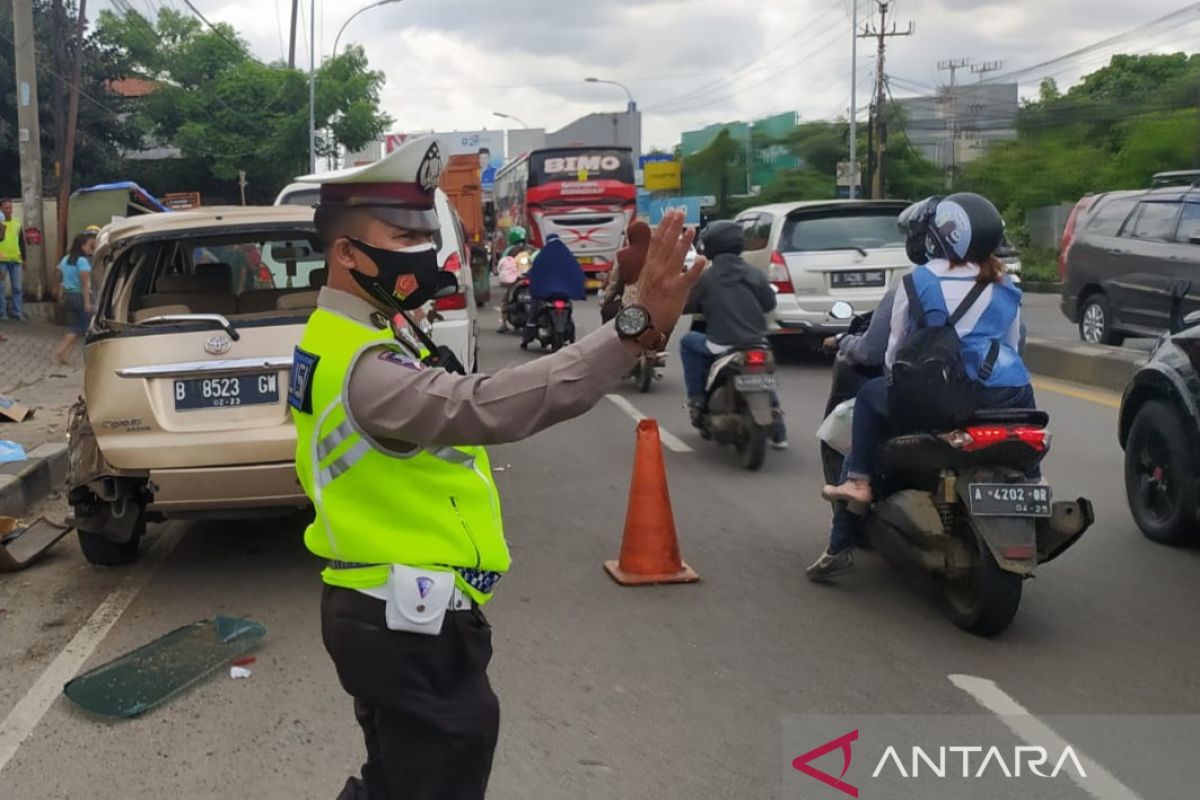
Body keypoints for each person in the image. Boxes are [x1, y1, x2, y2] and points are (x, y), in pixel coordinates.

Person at [287, 136, 705, 800]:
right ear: (346, 253)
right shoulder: (365, 369)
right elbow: (497, 405)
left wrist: (625, 296)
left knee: (398, 780)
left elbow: (541, 364)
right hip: (406, 626)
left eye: (426, 232)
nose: (424, 251)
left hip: (387, 615)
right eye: (402, 234)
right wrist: (634, 325)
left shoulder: (357, 334)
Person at [808, 193, 1035, 581]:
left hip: (936, 401)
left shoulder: (916, 283)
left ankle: (858, 485)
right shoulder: (1005, 283)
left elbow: (892, 356)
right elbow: (1015, 345)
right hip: (1006, 395)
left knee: (868, 397)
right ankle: (1034, 480)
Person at [678, 220, 787, 448]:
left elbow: (687, 305)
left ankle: (697, 400)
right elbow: (768, 303)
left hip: (721, 344)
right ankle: (779, 432)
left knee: (688, 342)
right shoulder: (753, 273)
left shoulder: (707, 277)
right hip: (757, 343)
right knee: (762, 375)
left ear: (710, 246)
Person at [520, 233, 586, 349]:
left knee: (533, 313)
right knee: (569, 311)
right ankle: (571, 337)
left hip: (545, 293)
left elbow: (535, 271)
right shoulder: (567, 255)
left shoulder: (543, 255)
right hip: (564, 293)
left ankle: (526, 339)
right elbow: (577, 271)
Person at [53, 229, 97, 364]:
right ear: (82, 246)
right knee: (80, 327)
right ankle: (61, 351)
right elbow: (84, 284)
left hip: (68, 295)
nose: (92, 249)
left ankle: (64, 354)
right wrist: (87, 302)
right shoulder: (82, 261)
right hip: (78, 296)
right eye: (90, 246)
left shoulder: (66, 259)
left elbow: (58, 273)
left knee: (76, 325)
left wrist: (60, 289)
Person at [601, 219, 651, 323]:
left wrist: (606, 301)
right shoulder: (657, 254)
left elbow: (613, 284)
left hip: (629, 306)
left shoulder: (622, 255)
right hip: (655, 307)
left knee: (607, 312)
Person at [0, 198, 26, 321]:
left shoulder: (17, 223)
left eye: (10, 208)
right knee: (1, 287)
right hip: (1, 260)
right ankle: (2, 313)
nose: (9, 210)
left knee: (17, 287)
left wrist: (24, 258)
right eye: (6, 208)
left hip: (16, 260)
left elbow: (21, 242)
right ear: (1, 209)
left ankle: (18, 312)